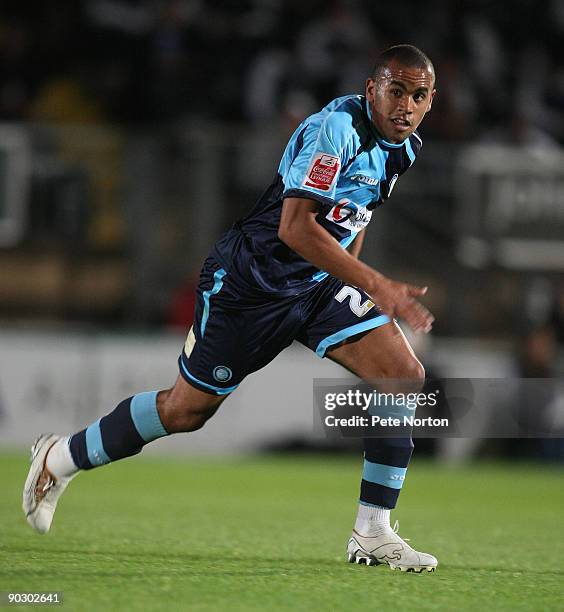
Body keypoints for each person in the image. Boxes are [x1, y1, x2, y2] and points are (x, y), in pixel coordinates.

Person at [23, 44, 438, 572]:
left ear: (430, 103)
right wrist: (375, 283)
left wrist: (353, 283)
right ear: (371, 88)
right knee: (184, 411)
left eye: (418, 95)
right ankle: (59, 458)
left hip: (314, 287)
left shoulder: (405, 147)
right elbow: (294, 228)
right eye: (395, 90)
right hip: (249, 285)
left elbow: (357, 214)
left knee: (403, 375)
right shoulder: (337, 129)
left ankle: (372, 532)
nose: (405, 104)